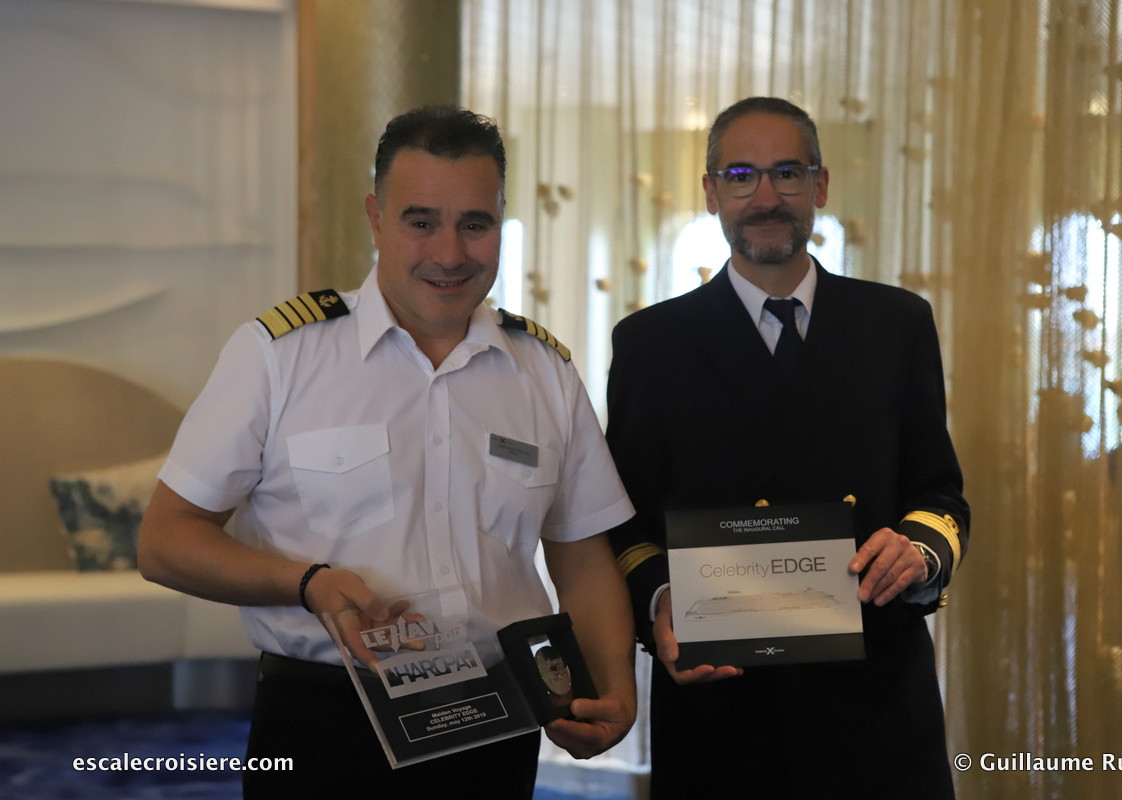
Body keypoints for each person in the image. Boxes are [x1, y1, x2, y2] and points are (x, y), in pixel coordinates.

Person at [138, 106, 637, 798]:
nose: (451, 253)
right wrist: (308, 583)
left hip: (498, 718)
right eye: (421, 221)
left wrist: (613, 690)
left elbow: (581, 555)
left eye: (476, 223)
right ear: (376, 216)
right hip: (326, 719)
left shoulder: (543, 370)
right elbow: (165, 541)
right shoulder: (280, 354)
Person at [606, 96, 969, 798]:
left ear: (821, 187)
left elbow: (938, 491)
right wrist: (659, 600)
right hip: (720, 714)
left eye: (788, 174)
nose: (766, 197)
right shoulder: (650, 344)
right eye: (741, 176)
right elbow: (628, 523)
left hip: (878, 708)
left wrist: (919, 551)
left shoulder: (896, 324)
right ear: (711, 193)